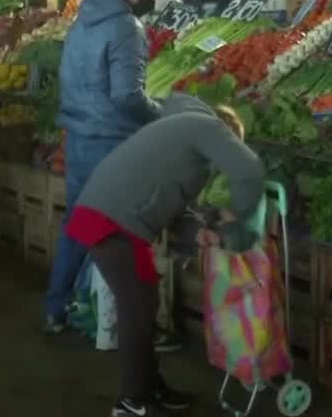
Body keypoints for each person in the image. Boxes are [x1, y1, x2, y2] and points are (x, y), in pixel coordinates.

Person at [67, 94, 265, 417]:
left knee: (143, 304)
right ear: (226, 135)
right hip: (113, 220)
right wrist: (242, 220)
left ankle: (149, 388)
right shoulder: (207, 128)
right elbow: (249, 171)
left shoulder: (185, 145)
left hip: (111, 217)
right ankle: (131, 401)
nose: (217, 167)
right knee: (138, 307)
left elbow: (176, 210)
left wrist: (200, 231)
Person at [49, 0, 161, 332]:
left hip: (79, 135)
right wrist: (159, 115)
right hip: (112, 139)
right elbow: (128, 95)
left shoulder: (83, 21)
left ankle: (56, 307)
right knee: (108, 232)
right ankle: (90, 311)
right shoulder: (127, 27)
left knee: (77, 224)